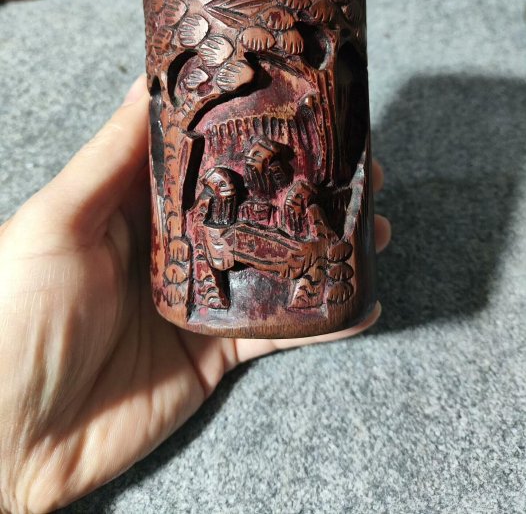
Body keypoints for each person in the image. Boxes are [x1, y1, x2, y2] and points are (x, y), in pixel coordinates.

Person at [0, 76, 391, 514]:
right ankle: (219, 291)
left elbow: (321, 237)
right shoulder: (228, 187)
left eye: (271, 168)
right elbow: (207, 225)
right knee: (227, 244)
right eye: (260, 167)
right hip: (223, 265)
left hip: (285, 258)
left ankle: (297, 292)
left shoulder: (297, 196)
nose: (265, 175)